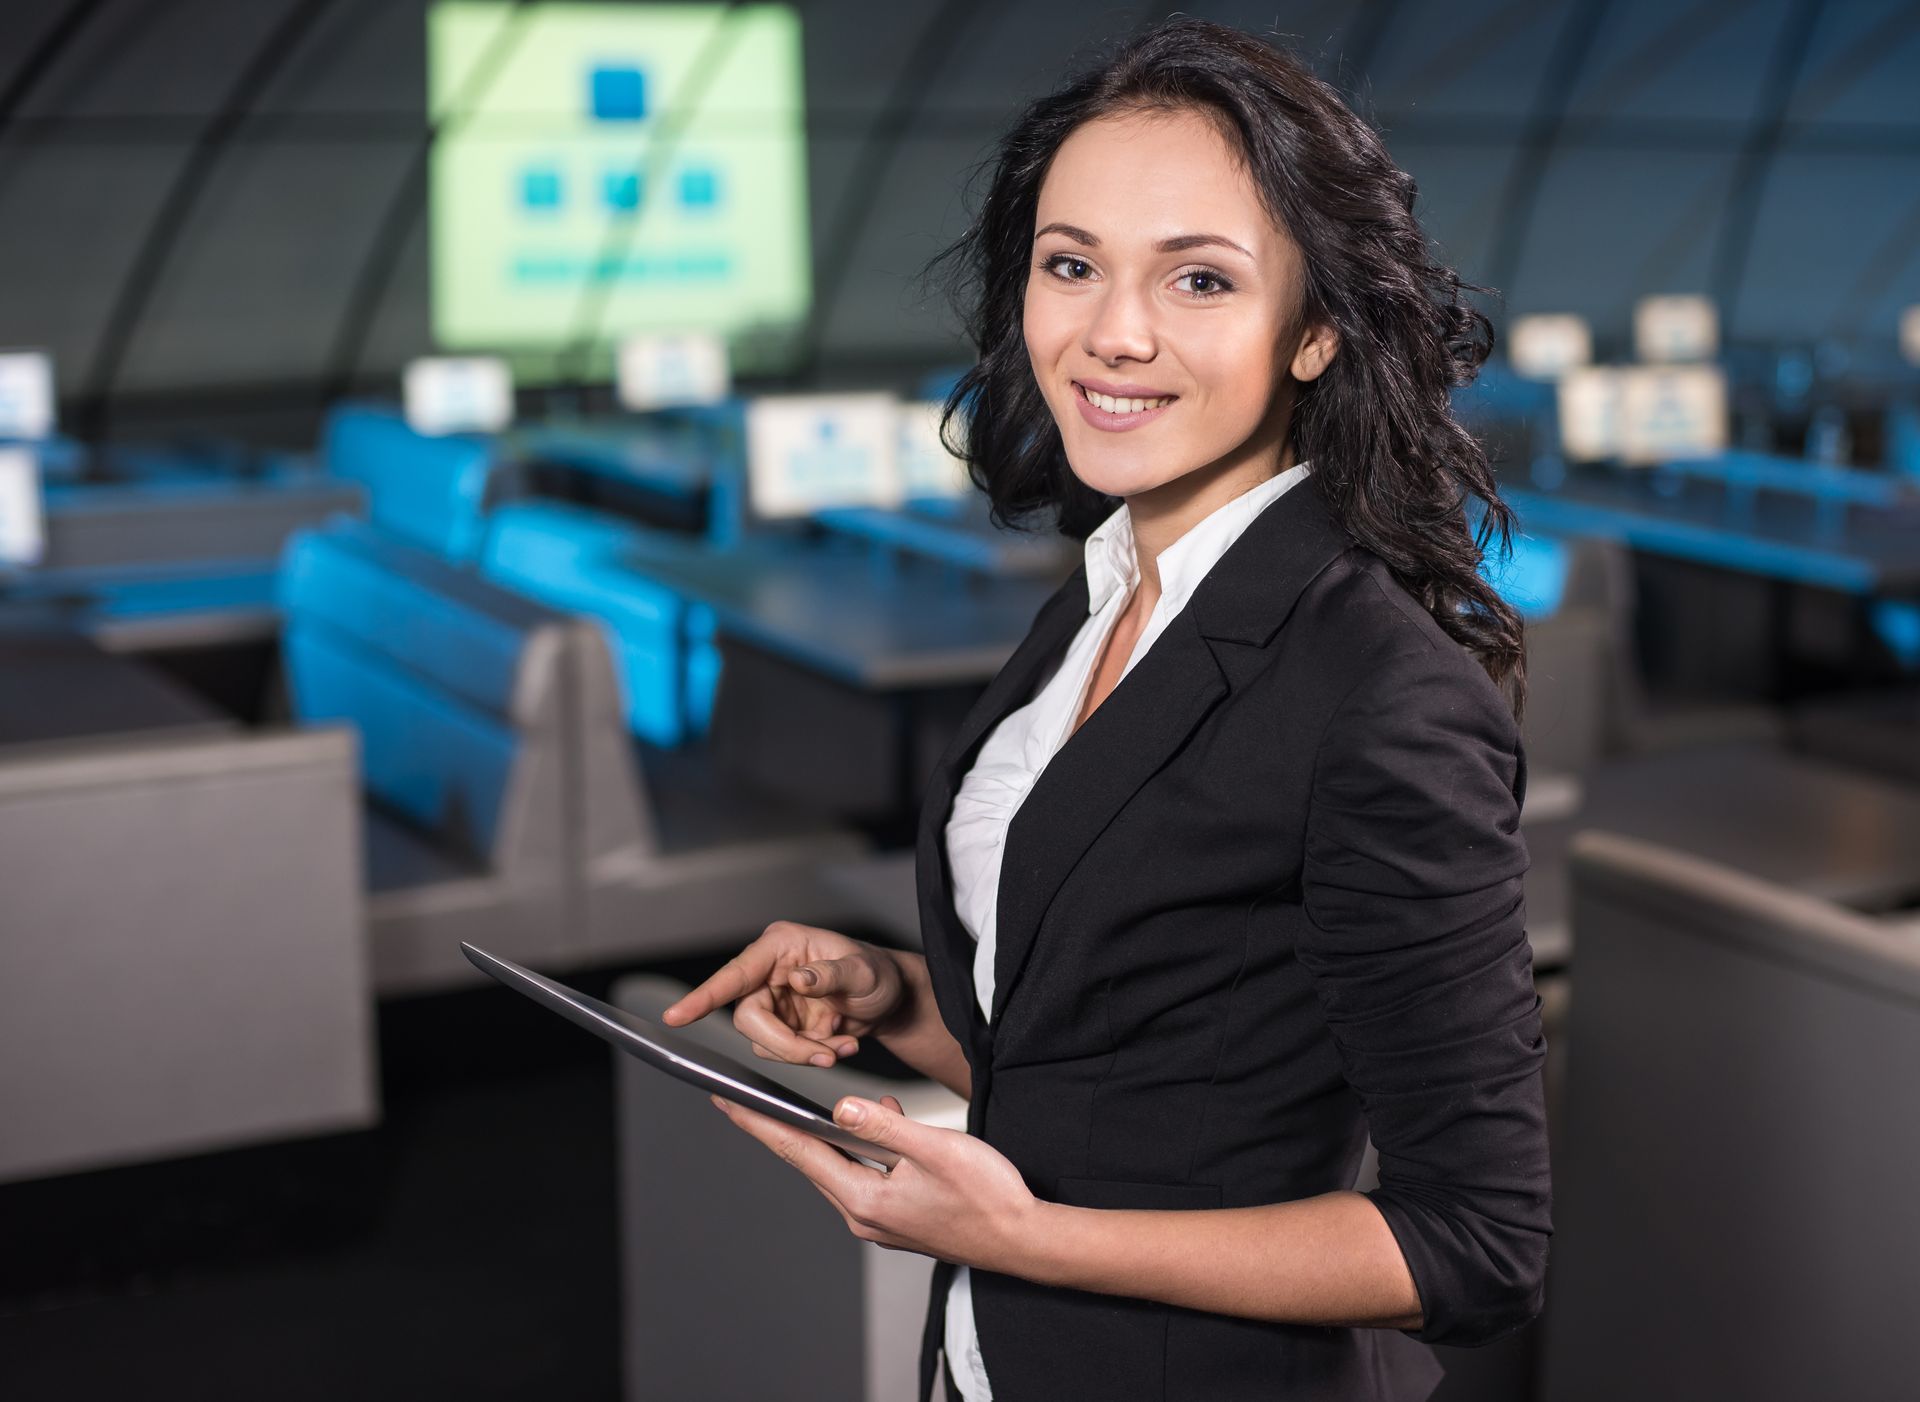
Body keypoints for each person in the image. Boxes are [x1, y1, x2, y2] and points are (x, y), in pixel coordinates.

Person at [662, 17, 1549, 1401]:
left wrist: (1031, 1239)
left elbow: (1476, 1240)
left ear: (1315, 330)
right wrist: (899, 995)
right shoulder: (1106, 592)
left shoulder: (1381, 698)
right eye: (1070, 264)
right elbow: (1151, 1053)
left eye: (1199, 279)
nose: (1111, 332)